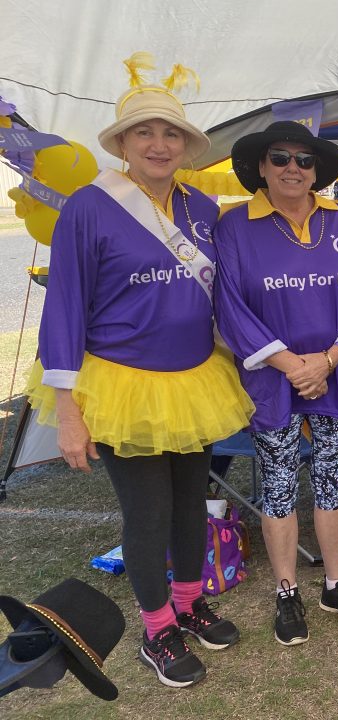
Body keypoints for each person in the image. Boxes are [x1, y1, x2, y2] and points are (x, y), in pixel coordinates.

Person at [25, 70, 254, 689]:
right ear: (123, 143)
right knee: (148, 513)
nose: (158, 144)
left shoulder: (201, 209)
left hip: (194, 380)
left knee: (189, 505)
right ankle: (157, 628)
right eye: (143, 133)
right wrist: (70, 411)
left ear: (186, 144)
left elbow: (226, 299)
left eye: (170, 134)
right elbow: (65, 306)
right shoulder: (89, 208)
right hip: (121, 383)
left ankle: (187, 602)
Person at [215, 121, 338, 647]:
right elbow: (229, 307)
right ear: (261, 167)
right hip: (274, 380)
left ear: (316, 171)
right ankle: (287, 590)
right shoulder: (235, 226)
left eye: (304, 160)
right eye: (280, 157)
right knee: (280, 484)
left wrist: (328, 361)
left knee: (332, 481)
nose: (293, 167)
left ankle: (336, 583)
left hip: (336, 374)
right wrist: (294, 366)